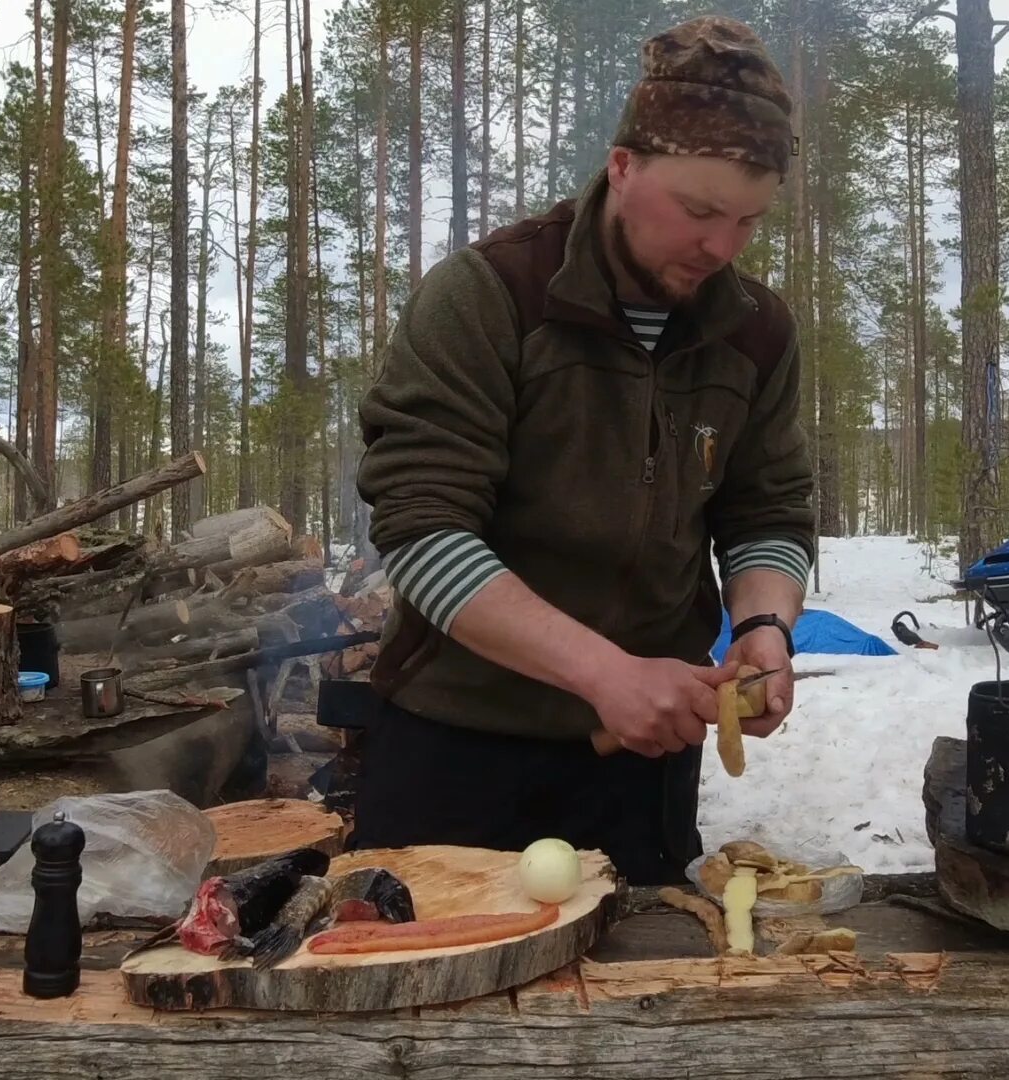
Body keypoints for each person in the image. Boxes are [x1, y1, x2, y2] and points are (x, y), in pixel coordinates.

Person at [349, 15, 815, 886]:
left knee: (634, 998)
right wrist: (603, 672)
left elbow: (767, 511)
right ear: (624, 166)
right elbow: (422, 531)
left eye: (749, 221)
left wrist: (763, 625)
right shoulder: (490, 297)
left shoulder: (755, 332)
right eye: (700, 210)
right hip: (459, 741)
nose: (721, 247)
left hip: (641, 767)